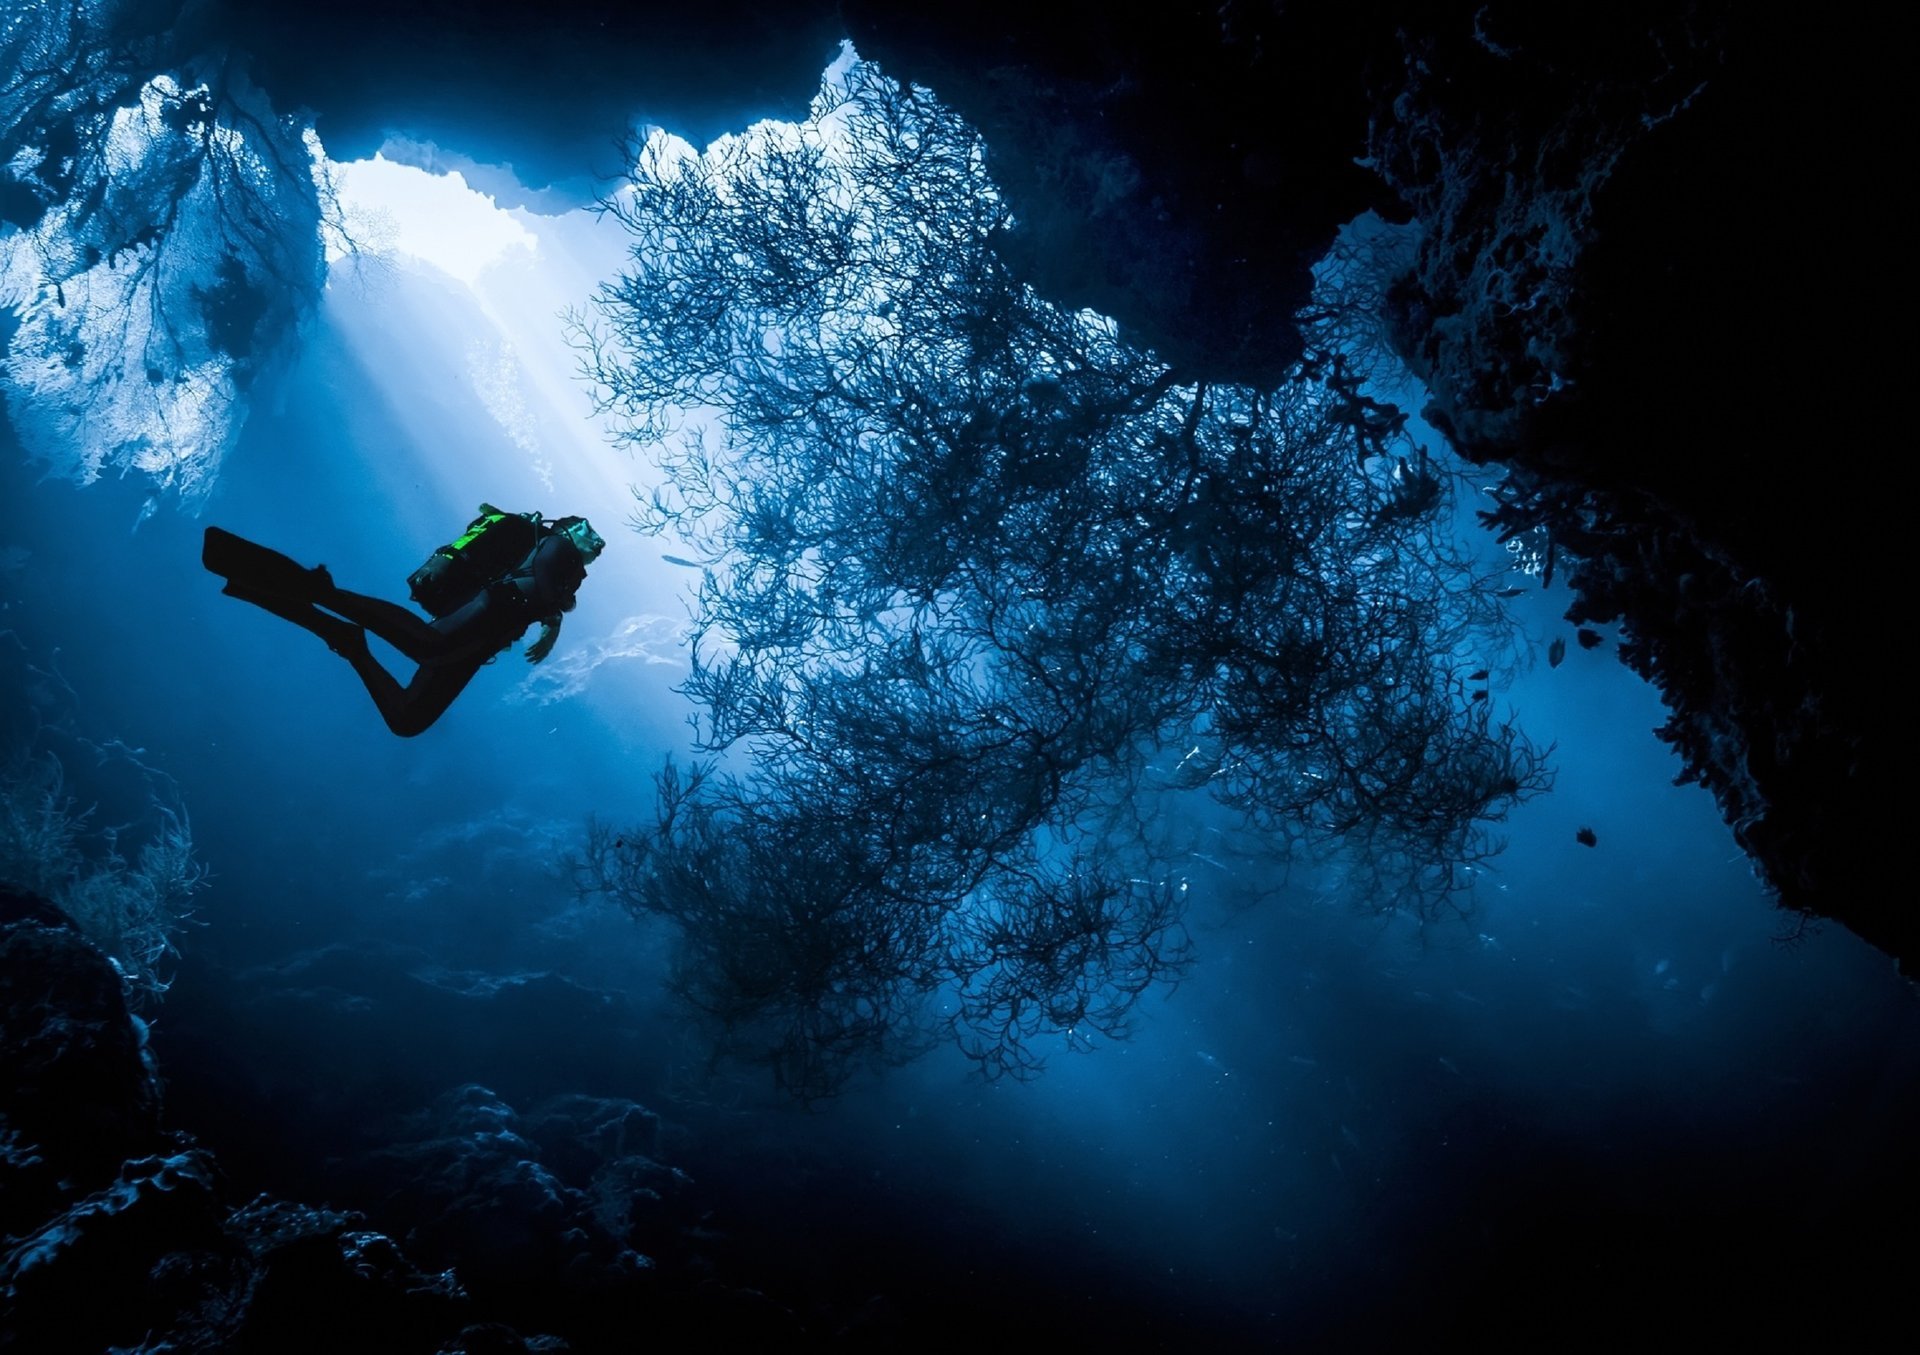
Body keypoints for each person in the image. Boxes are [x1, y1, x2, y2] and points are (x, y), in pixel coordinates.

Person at [204, 506, 606, 737]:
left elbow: (551, 594)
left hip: (483, 640)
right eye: (588, 531)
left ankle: (349, 641)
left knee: (407, 719)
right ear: (567, 527)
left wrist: (554, 616)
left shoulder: (565, 562)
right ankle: (324, 593)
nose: (595, 543)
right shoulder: (557, 543)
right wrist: (556, 617)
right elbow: (549, 587)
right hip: (489, 610)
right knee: (427, 646)